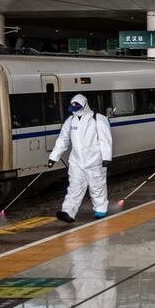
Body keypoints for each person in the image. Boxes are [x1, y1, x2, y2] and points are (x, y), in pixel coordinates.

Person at [49, 94, 113, 222]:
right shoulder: (70, 121)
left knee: (97, 186)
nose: (75, 111)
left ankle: (100, 209)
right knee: (74, 187)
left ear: (84, 105)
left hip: (95, 160)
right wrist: (54, 157)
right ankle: (68, 212)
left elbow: (105, 139)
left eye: (78, 108)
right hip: (76, 161)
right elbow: (63, 140)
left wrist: (106, 157)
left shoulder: (98, 119)